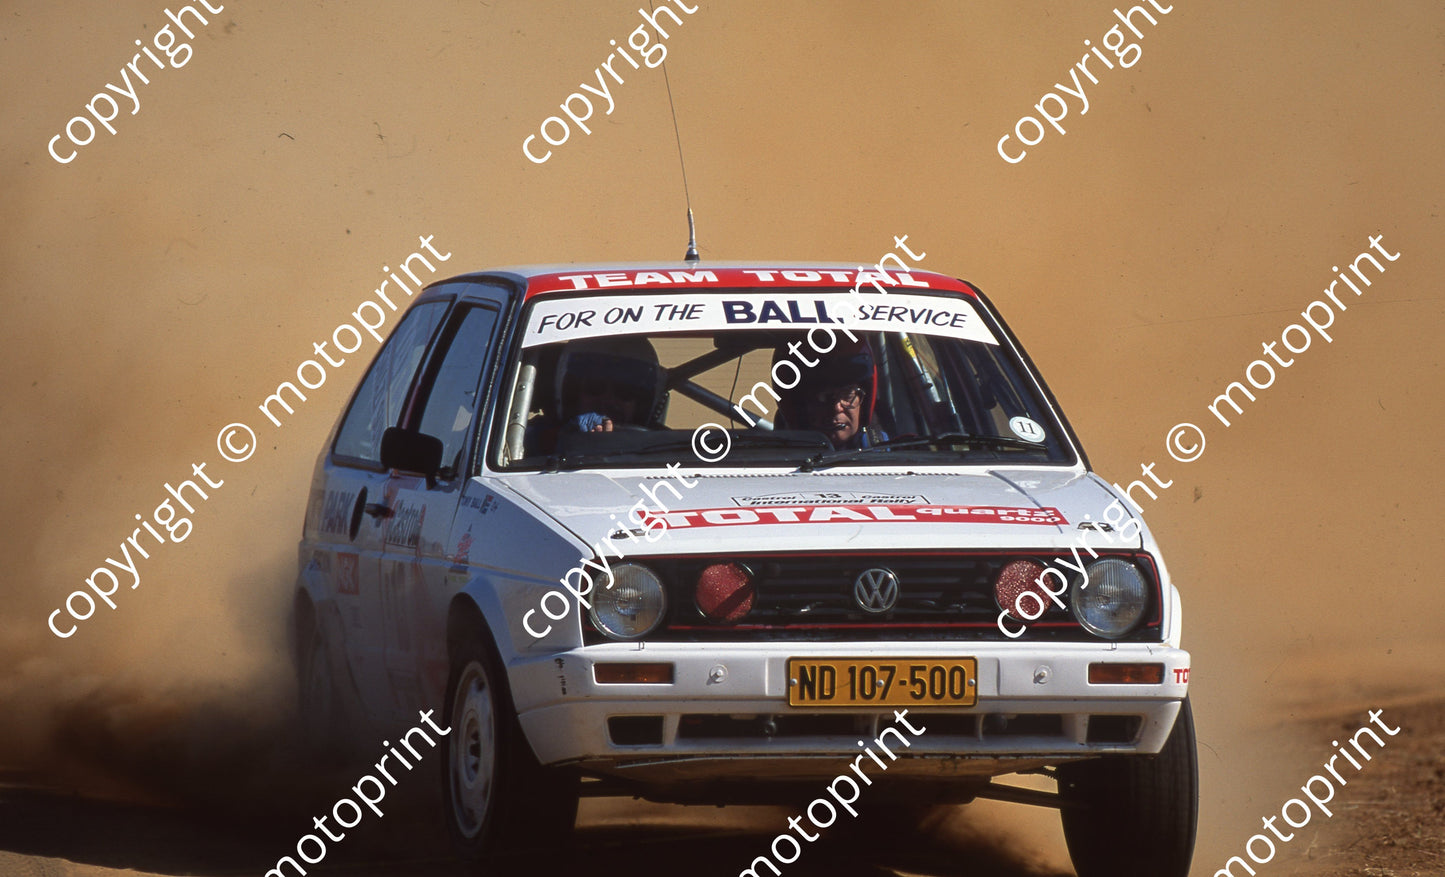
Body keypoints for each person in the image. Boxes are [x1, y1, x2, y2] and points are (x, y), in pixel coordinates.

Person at [782, 341, 888, 450]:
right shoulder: (774, 459)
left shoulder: (890, 454)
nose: (836, 408)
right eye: (823, 397)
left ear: (864, 403)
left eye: (847, 396)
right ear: (802, 406)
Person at [554, 336, 666, 433]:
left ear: (641, 403)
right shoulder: (543, 443)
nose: (608, 400)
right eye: (595, 387)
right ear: (573, 394)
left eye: (625, 391)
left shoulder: (664, 448)